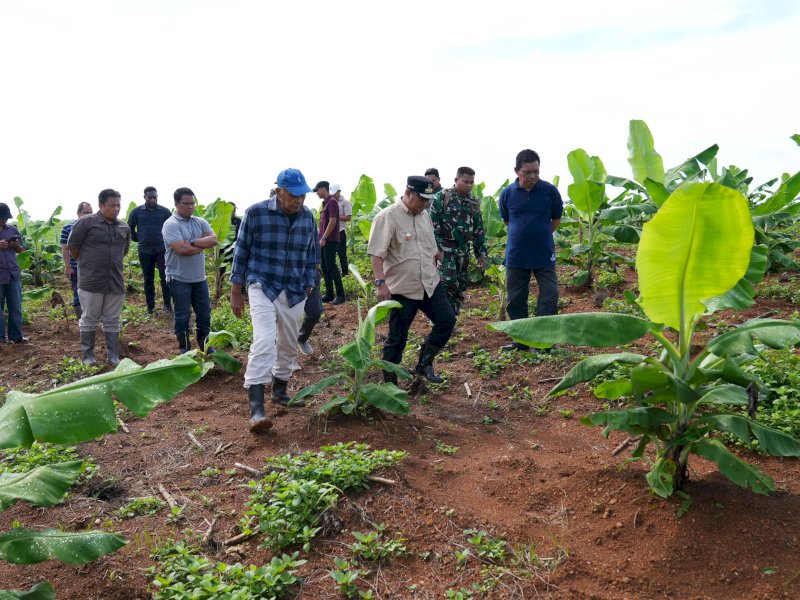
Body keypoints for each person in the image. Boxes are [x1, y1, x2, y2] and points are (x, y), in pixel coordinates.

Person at [230, 168, 319, 432]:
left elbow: (313, 253)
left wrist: (310, 282)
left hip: (294, 288)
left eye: (302, 196)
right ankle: (256, 408)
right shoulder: (256, 213)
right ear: (279, 190)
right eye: (293, 195)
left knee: (289, 344)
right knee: (264, 340)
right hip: (262, 284)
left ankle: (280, 390)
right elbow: (241, 253)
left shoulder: (307, 218)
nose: (299, 201)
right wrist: (236, 292)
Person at [368, 176, 456, 384]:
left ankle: (424, 364)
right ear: (408, 193)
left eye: (428, 200)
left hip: (429, 283)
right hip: (402, 289)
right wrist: (381, 283)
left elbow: (431, 247)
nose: (425, 204)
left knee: (447, 321)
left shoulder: (424, 215)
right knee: (397, 338)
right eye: (421, 200)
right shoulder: (387, 217)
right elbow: (376, 254)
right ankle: (390, 383)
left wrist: (438, 260)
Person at [498, 149, 563, 351]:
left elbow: (556, 219)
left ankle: (544, 342)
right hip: (516, 255)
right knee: (516, 299)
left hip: (544, 253)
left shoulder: (549, 191)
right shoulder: (507, 193)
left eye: (536, 171)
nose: (533, 176)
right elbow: (507, 220)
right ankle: (522, 341)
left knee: (550, 296)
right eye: (528, 172)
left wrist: (539, 235)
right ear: (517, 171)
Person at [67, 189, 131, 365]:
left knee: (112, 320)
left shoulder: (123, 227)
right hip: (91, 281)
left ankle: (113, 356)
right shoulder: (87, 223)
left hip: (115, 281)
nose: (116, 209)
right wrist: (88, 263)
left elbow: (123, 251)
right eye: (112, 205)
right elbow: (73, 247)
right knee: (89, 318)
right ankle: (88, 355)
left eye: (118, 205)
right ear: (101, 205)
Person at [161, 187, 218, 354]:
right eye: (186, 204)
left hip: (199, 278)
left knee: (204, 315)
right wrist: (201, 244)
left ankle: (205, 346)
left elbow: (214, 240)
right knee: (182, 316)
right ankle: (185, 349)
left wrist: (191, 242)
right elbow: (181, 250)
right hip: (179, 279)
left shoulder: (200, 221)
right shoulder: (170, 224)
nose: (190, 207)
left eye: (192, 203)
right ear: (177, 204)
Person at [430, 166, 488, 315]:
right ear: (456, 180)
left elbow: (478, 229)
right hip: (445, 247)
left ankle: (451, 319)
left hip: (463, 249)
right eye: (465, 181)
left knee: (460, 284)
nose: (469, 185)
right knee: (446, 282)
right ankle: (440, 318)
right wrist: (435, 249)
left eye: (471, 182)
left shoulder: (473, 202)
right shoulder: (442, 197)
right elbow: (431, 224)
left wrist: (480, 253)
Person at [128, 186, 173, 314]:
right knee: (148, 279)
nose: (152, 200)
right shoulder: (136, 212)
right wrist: (140, 238)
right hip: (145, 250)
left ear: (157, 196)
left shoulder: (164, 212)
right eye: (149, 197)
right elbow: (129, 228)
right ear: (144, 197)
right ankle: (150, 307)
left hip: (161, 249)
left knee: (165, 277)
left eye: (154, 197)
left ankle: (167, 305)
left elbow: (172, 227)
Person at [60, 202, 93, 319]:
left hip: (92, 267)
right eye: (85, 213)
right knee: (77, 293)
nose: (88, 215)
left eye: (90, 213)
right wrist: (68, 267)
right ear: (78, 213)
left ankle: (91, 318)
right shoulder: (68, 228)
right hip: (76, 266)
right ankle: (81, 320)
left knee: (92, 294)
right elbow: (65, 249)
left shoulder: (94, 227)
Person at [314, 181, 345, 304]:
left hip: (330, 240)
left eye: (317, 190)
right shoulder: (325, 203)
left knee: (332, 266)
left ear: (323, 189)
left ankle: (341, 295)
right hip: (324, 240)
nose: (316, 192)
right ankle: (329, 294)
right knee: (325, 267)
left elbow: (332, 221)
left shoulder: (332, 202)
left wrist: (324, 237)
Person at [0, 202, 27, 344]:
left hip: (13, 274)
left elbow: (22, 250)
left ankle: (16, 336)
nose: (4, 220)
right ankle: (0, 338)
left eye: (6, 218)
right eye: (2, 218)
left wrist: (17, 246)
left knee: (16, 307)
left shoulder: (13, 230)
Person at [332, 183, 352, 276]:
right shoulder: (331, 201)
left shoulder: (345, 202)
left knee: (341, 254)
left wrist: (335, 217)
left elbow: (348, 218)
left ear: (339, 191)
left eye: (334, 193)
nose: (333, 195)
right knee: (332, 254)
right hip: (331, 231)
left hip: (340, 231)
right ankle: (334, 272)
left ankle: (345, 273)